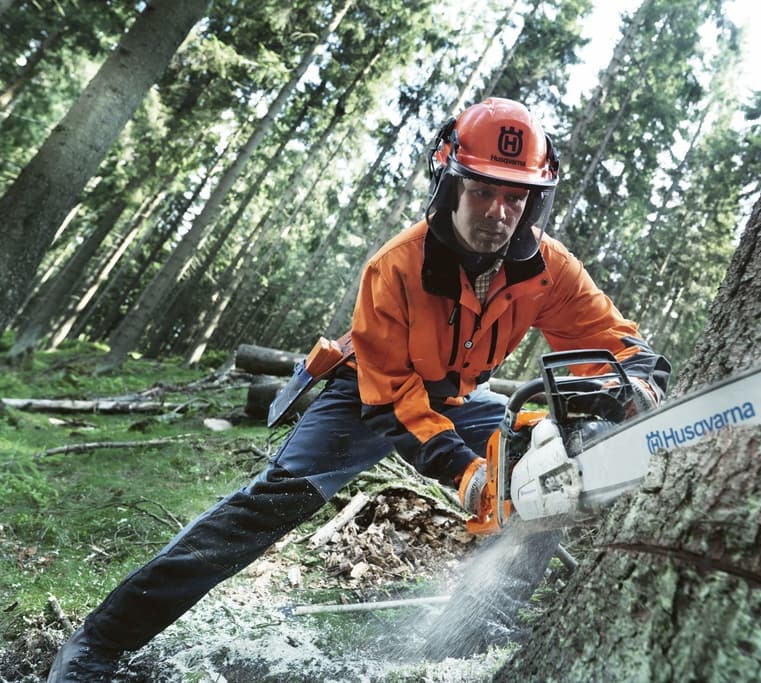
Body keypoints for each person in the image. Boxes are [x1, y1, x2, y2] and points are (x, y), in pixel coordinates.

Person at [48, 97, 671, 680]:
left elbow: (611, 341)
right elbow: (391, 396)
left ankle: (469, 637)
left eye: (516, 197)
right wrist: (464, 471)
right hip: (370, 393)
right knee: (273, 502)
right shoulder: (397, 266)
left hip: (457, 396)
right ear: (452, 185)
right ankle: (99, 641)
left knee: (543, 471)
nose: (498, 212)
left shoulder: (549, 269)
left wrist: (636, 383)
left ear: (534, 202)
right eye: (482, 191)